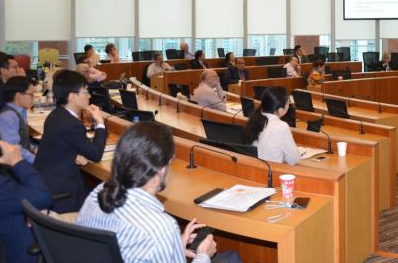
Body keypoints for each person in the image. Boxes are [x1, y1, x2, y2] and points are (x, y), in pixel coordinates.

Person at [76, 122, 241, 263]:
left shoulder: (98, 192)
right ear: (162, 169)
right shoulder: (160, 227)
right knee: (232, 258)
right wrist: (203, 256)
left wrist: (174, 244)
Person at [34, 70, 107, 213]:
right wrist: (100, 123)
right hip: (63, 190)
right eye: (85, 92)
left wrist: (74, 154)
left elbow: (62, 144)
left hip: (47, 180)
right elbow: (96, 154)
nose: (89, 95)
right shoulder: (72, 124)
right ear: (72, 96)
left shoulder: (57, 114)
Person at [0, 119, 52, 263]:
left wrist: (28, 209)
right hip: (22, 253)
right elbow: (43, 196)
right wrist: (17, 162)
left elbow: (10, 201)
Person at [243, 87, 300, 165]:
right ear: (280, 110)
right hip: (272, 171)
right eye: (287, 104)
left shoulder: (255, 118)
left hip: (257, 167)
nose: (289, 106)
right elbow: (294, 159)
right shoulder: (282, 126)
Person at [0, 76, 36, 163]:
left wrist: (34, 149)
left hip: (24, 159)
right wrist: (36, 160)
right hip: (17, 165)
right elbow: (12, 149)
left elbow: (22, 142)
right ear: (18, 96)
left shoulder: (21, 111)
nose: (34, 98)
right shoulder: (8, 116)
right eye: (31, 94)